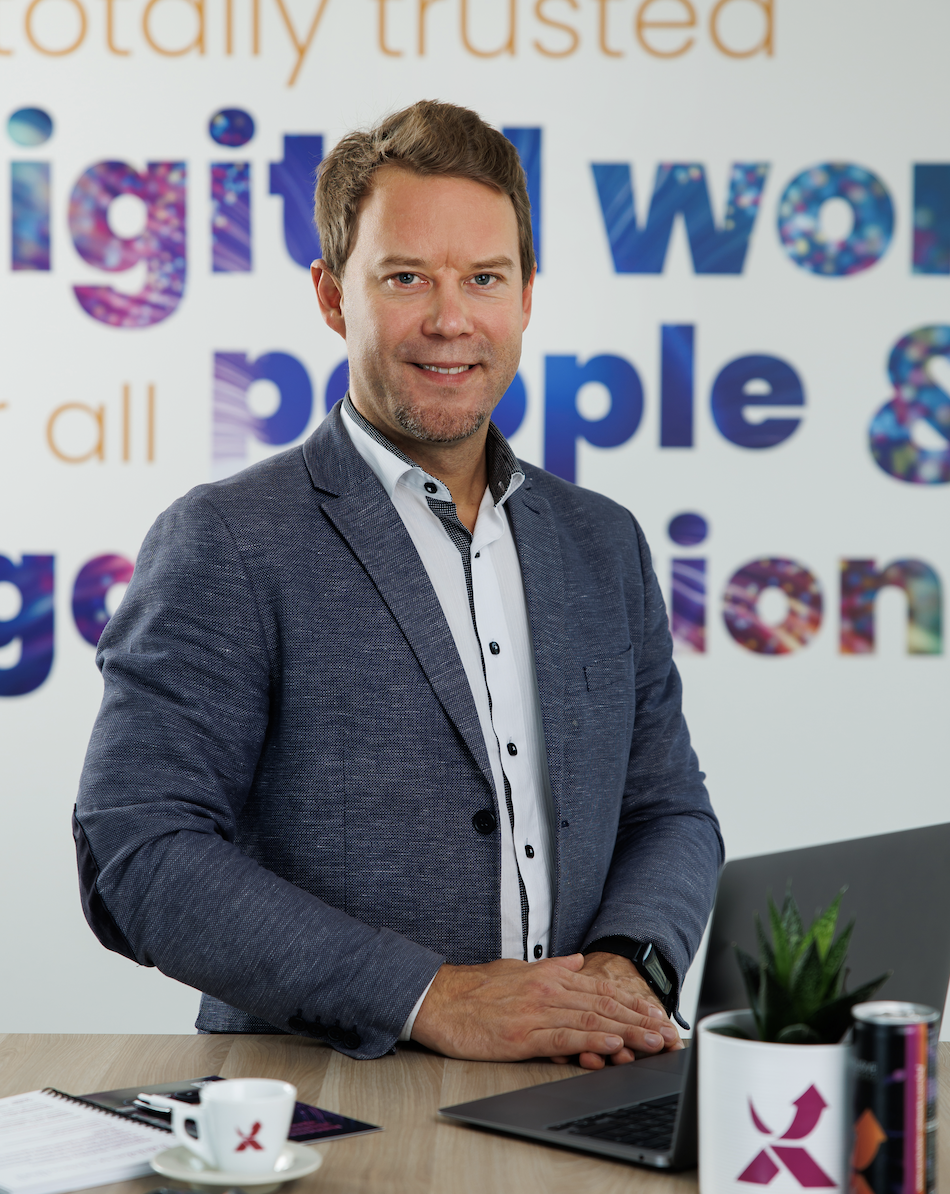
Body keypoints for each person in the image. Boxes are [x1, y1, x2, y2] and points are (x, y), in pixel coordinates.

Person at [74, 100, 723, 1068]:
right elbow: (136, 849)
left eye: (483, 278)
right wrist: (428, 997)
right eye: (406, 277)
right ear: (333, 295)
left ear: (526, 296)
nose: (450, 319)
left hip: (577, 1083)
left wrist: (627, 969)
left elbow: (669, 811)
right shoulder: (226, 540)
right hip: (321, 1097)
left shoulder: (603, 543)